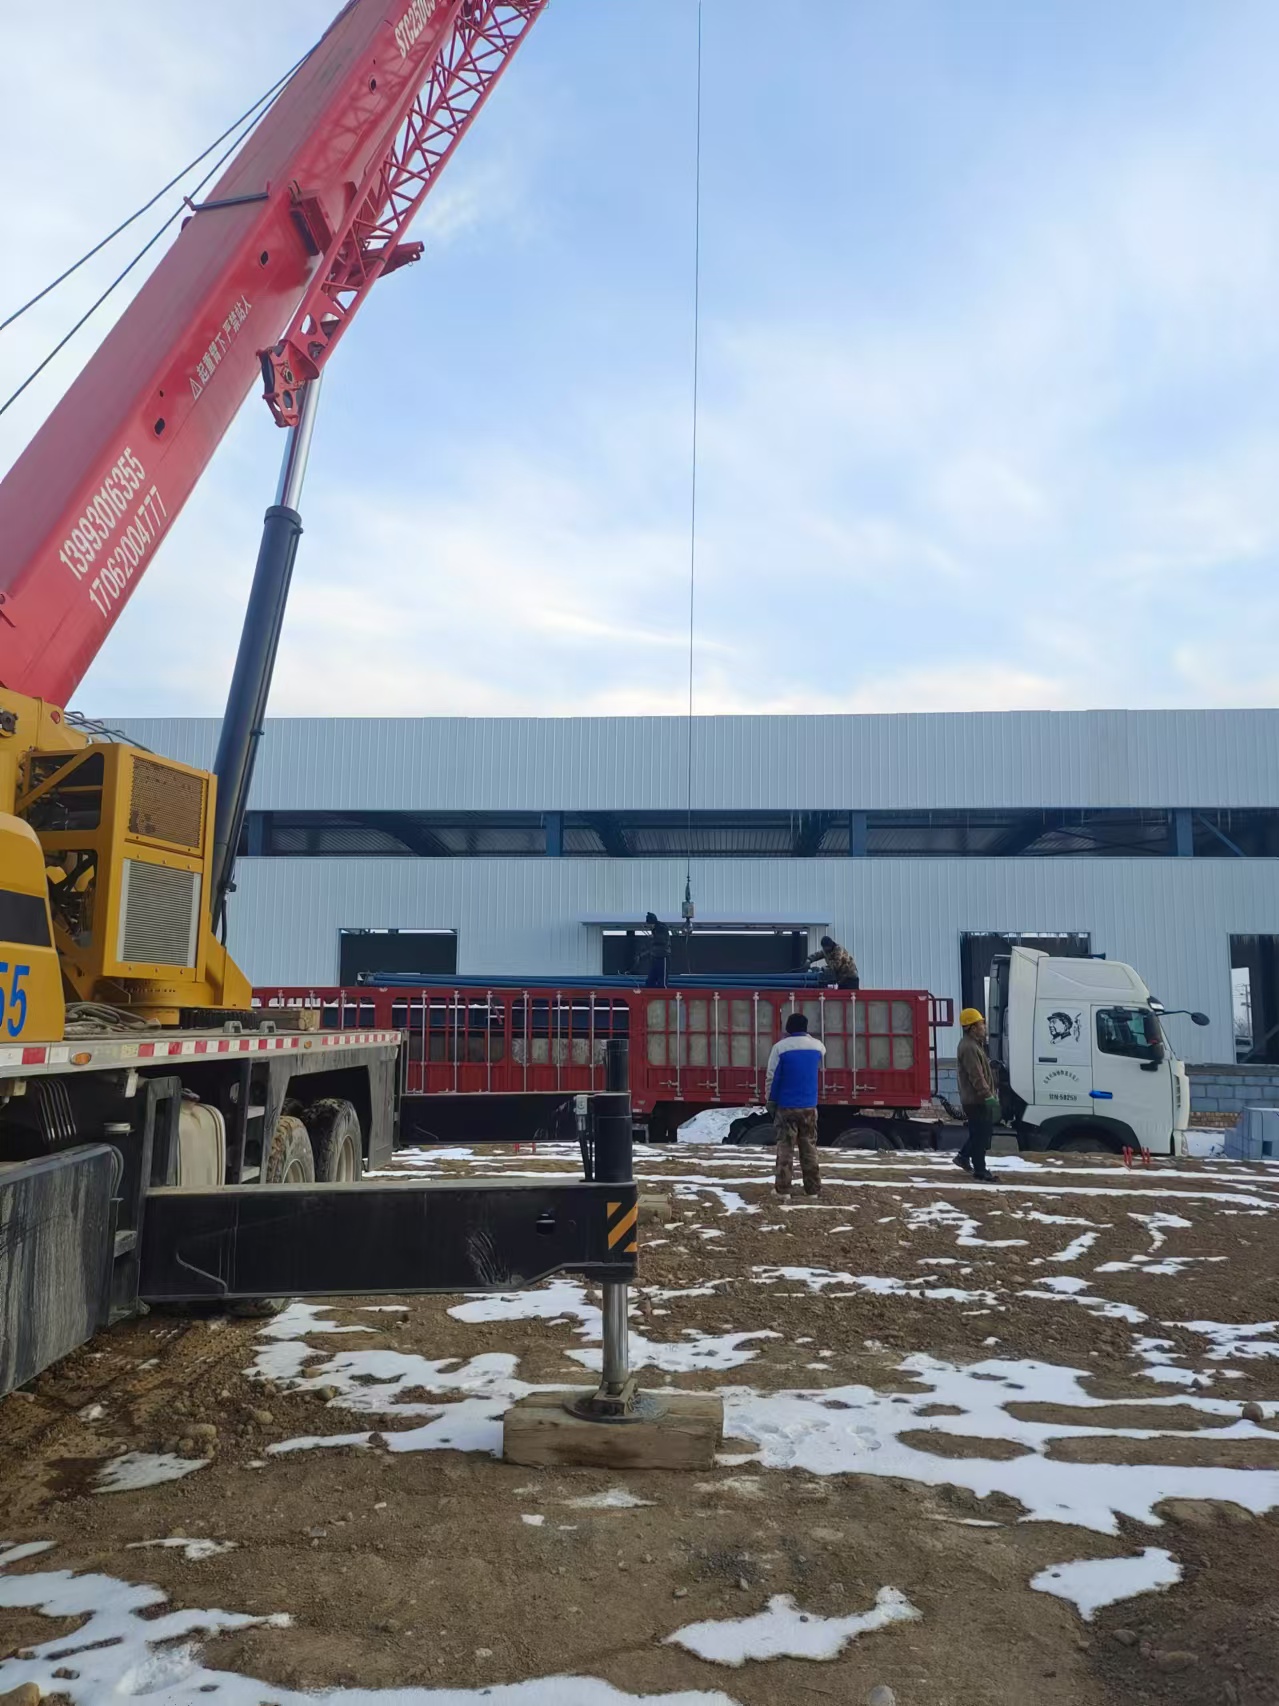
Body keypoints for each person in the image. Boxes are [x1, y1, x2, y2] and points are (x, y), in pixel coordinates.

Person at [764, 1012, 826, 1197]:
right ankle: (813, 1190)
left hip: (786, 1106)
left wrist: (770, 1102)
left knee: (785, 1148)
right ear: (806, 1027)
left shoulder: (780, 1048)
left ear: (788, 1028)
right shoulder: (818, 1046)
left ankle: (783, 1191)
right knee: (809, 1147)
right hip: (809, 1106)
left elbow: (772, 1077)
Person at [955, 1007, 1000, 1182]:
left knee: (979, 1133)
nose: (984, 1027)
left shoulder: (974, 1045)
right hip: (976, 1100)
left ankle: (963, 1157)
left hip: (977, 1099)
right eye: (982, 1024)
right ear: (973, 1027)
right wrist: (987, 1095)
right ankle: (980, 1170)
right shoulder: (969, 1047)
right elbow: (976, 1075)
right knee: (981, 1135)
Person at [642, 911, 671, 988]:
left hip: (662, 956)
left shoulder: (662, 928)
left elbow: (663, 940)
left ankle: (663, 991)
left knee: (662, 978)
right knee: (651, 978)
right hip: (655, 956)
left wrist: (653, 938)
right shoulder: (655, 930)